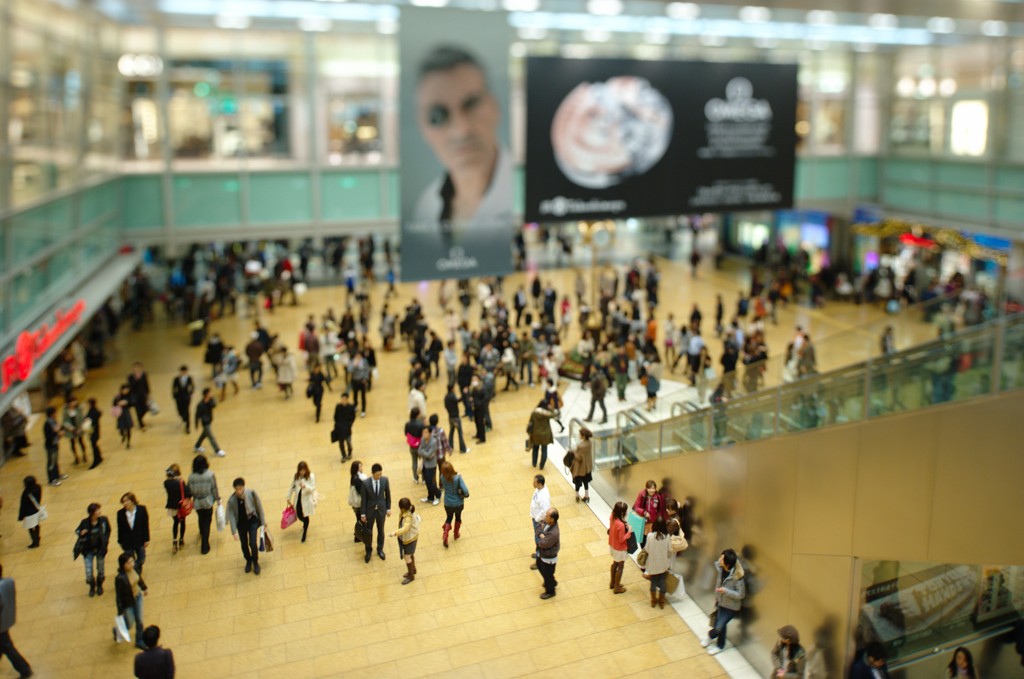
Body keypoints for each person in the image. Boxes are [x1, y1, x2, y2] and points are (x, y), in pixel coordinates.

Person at [411, 46, 513, 236]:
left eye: (472, 104)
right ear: (423, 128)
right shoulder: (425, 208)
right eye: (437, 116)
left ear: (495, 107)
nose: (461, 130)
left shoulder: (520, 195)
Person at [701, 548, 746, 655]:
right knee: (721, 625)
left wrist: (726, 591)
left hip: (730, 607)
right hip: (721, 602)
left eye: (722, 558)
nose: (719, 559)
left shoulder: (737, 577)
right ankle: (720, 645)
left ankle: (710, 636)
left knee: (719, 626)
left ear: (727, 563)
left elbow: (740, 595)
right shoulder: (721, 568)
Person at [225, 478, 267, 575]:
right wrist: (234, 531)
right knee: (244, 544)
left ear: (244, 487)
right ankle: (248, 560)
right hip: (241, 524)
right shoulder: (232, 500)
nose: (238, 491)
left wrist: (263, 522)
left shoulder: (251, 493)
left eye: (240, 488)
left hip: (252, 521)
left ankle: (255, 562)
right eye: (236, 489)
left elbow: (259, 507)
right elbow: (231, 515)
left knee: (252, 543)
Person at [0, 564, 33, 678]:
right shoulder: (8, 582)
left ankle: (24, 669)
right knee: (3, 644)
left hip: (0, 624)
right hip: (6, 618)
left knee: (7, 647)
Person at [75, 503, 111, 597]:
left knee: (101, 569)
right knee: (88, 571)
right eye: (97, 510)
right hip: (88, 550)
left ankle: (99, 585)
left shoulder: (103, 520)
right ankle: (92, 586)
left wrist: (105, 541)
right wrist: (81, 533)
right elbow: (77, 531)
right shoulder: (85, 522)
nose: (99, 512)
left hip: (100, 549)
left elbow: (108, 530)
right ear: (92, 513)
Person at [113, 552, 147, 650]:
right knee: (129, 623)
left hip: (138, 597)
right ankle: (117, 630)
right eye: (128, 563)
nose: (131, 564)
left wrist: (144, 588)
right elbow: (118, 596)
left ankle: (139, 640)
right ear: (122, 565)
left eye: (132, 561)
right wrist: (120, 611)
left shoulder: (135, 568)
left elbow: (138, 579)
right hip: (127, 602)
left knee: (139, 620)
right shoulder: (119, 578)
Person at [186, 455, 220, 555]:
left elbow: (189, 489)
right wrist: (217, 499)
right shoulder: (210, 475)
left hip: (197, 502)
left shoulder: (191, 476)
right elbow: (214, 488)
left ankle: (201, 531)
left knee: (201, 518)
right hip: (208, 501)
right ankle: (205, 544)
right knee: (207, 522)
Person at [360, 463, 392, 563]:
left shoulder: (384, 480)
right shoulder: (365, 483)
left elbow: (388, 494)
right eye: (377, 474)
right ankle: (368, 550)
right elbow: (363, 500)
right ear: (372, 473)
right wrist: (363, 514)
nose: (379, 476)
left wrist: (388, 508)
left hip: (381, 510)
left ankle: (380, 549)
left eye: (380, 474)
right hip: (370, 511)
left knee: (381, 530)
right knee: (368, 532)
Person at [116, 493, 150, 577]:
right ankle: (134, 571)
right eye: (123, 502)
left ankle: (137, 567)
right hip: (127, 541)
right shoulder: (120, 513)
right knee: (129, 559)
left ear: (132, 500)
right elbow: (120, 528)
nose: (125, 503)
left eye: (127, 501)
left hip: (139, 539)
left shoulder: (141, 509)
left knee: (142, 558)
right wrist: (120, 541)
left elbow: (145, 525)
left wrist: (146, 539)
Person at [388, 498, 421, 585]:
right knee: (410, 554)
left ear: (403, 508)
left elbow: (405, 528)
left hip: (410, 538)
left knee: (407, 557)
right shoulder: (408, 511)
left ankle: (411, 575)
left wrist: (395, 532)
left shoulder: (408, 516)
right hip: (410, 536)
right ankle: (413, 570)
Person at [643, 517, 672, 609]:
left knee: (654, 581)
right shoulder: (667, 537)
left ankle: (653, 600)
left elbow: (646, 549)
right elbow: (670, 550)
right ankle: (661, 601)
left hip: (652, 563)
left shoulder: (650, 536)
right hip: (663, 563)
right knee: (662, 581)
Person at [439, 461, 469, 548]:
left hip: (448, 503)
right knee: (458, 517)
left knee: (449, 518)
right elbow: (466, 491)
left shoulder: (442, 477)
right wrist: (459, 477)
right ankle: (456, 534)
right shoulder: (457, 478)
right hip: (458, 503)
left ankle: (445, 534)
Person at [286, 462, 317, 543]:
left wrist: (305, 486)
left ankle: (305, 531)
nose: (302, 472)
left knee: (305, 515)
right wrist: (288, 497)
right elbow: (292, 486)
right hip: (298, 500)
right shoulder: (296, 476)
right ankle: (304, 522)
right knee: (299, 515)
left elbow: (312, 489)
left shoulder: (311, 476)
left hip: (306, 501)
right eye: (300, 470)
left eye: (303, 470)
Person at [535, 507, 560, 600]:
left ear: (552, 519)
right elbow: (538, 528)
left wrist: (541, 536)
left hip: (549, 557)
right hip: (543, 554)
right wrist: (542, 535)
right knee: (539, 564)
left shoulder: (553, 533)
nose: (545, 517)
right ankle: (551, 582)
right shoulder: (547, 522)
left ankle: (550, 591)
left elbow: (544, 543)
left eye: (547, 516)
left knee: (547, 573)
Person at [163, 465, 189, 554]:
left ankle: (174, 540)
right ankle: (181, 539)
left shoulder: (166, 483)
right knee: (182, 522)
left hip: (171, 506)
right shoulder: (181, 482)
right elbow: (185, 493)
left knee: (175, 523)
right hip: (181, 506)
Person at [607, 501, 631, 595]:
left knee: (614, 563)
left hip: (612, 544)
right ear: (622, 513)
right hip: (620, 548)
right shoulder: (620, 525)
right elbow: (622, 539)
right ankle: (617, 588)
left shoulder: (612, 516)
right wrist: (629, 531)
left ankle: (612, 582)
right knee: (620, 566)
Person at [193, 389, 225, 457]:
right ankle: (217, 450)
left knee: (204, 434)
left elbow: (214, 405)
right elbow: (197, 415)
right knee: (211, 437)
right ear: (206, 394)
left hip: (209, 420)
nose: (211, 394)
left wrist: (211, 399)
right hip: (205, 422)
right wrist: (196, 423)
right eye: (210, 393)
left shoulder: (210, 401)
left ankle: (197, 446)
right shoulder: (200, 405)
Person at [528, 475, 550, 569]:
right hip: (536, 518)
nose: (533, 483)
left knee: (539, 540)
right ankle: (538, 554)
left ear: (540, 483)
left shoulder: (544, 496)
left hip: (539, 521)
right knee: (537, 538)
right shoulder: (538, 489)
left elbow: (545, 511)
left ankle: (539, 561)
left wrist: (537, 519)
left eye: (535, 482)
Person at [527, 402, 556, 470]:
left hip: (535, 434)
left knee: (535, 449)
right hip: (545, 435)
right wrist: (551, 409)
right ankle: (541, 466)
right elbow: (554, 414)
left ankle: (534, 463)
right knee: (544, 450)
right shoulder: (547, 414)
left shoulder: (534, 413)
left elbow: (530, 422)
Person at [569, 427, 594, 503]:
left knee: (578, 482)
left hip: (580, 468)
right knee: (586, 481)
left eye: (580, 434)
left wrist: (573, 452)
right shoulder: (589, 443)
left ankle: (577, 495)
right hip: (587, 467)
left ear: (583, 435)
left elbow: (579, 458)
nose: (579, 435)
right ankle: (587, 496)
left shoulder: (580, 446)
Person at [17, 477, 43, 549]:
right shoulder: (38, 487)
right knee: (37, 525)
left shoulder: (26, 493)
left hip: (29, 513)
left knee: (30, 528)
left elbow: (23, 505)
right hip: (36, 509)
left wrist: (21, 516)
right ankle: (37, 537)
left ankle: (35, 542)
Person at [444, 384, 469, 454]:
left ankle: (450, 446)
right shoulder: (452, 396)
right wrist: (464, 394)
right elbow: (458, 400)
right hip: (455, 417)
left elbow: (445, 406)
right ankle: (463, 449)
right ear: (452, 388)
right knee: (460, 433)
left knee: (451, 432)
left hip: (450, 417)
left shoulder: (446, 396)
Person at [43, 407, 64, 487]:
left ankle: (57, 475)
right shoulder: (47, 424)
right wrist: (56, 432)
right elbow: (48, 436)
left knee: (55, 460)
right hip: (50, 446)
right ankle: (52, 479)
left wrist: (60, 430)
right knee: (51, 463)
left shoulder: (54, 421)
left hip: (55, 444)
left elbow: (59, 427)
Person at [126, 362, 151, 431]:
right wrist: (136, 379)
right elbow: (130, 386)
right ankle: (141, 423)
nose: (136, 369)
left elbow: (146, 385)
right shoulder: (130, 377)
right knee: (137, 410)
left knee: (145, 408)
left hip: (143, 395)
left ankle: (140, 418)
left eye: (137, 367)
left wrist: (148, 394)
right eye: (134, 367)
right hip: (135, 396)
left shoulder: (144, 375)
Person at [62, 397, 86, 465]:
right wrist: (71, 428)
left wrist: (80, 428)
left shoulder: (78, 409)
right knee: (72, 443)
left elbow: (82, 418)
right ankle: (76, 457)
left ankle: (84, 454)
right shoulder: (66, 411)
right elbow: (65, 421)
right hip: (71, 429)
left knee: (81, 442)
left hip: (79, 428)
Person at [333, 392, 356, 461]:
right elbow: (335, 417)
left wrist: (350, 424)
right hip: (339, 429)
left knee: (348, 442)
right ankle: (343, 455)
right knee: (341, 444)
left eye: (345, 399)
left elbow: (353, 417)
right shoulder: (338, 407)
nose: (343, 400)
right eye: (342, 399)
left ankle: (349, 452)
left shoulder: (351, 407)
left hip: (347, 428)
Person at [404, 408, 425, 485]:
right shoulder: (421, 424)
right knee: (422, 462)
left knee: (414, 462)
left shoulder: (408, 424)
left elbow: (406, 433)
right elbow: (423, 434)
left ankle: (415, 478)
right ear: (417, 414)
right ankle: (423, 479)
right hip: (420, 446)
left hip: (412, 446)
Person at [171, 365, 194, 434]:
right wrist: (174, 396)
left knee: (187, 412)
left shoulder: (189, 378)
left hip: (186, 398)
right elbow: (174, 388)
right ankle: (183, 417)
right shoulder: (176, 379)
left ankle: (187, 427)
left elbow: (192, 386)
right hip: (179, 398)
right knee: (179, 410)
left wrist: (190, 394)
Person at [349, 351, 371, 417]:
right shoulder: (352, 361)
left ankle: (363, 410)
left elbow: (367, 370)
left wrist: (365, 379)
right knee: (355, 395)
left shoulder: (364, 361)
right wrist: (354, 365)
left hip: (362, 381)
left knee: (363, 396)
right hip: (355, 381)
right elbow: (349, 370)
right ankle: (355, 405)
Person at [348, 460, 368, 528]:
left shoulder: (354, 476)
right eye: (360, 466)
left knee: (359, 518)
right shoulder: (357, 479)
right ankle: (360, 534)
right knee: (361, 518)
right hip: (359, 503)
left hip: (356, 503)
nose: (362, 467)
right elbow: (361, 491)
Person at [85, 398, 102, 468]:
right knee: (94, 444)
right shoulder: (93, 410)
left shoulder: (93, 411)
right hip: (94, 430)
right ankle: (99, 457)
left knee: (94, 445)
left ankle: (96, 460)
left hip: (94, 431)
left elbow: (91, 420)